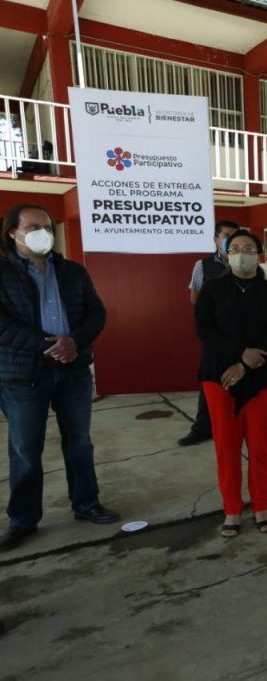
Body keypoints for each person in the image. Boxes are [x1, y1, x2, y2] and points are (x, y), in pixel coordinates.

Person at [0, 204, 119, 552]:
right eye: (35, 226)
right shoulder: (2, 272)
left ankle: (86, 503)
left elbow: (96, 312)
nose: (44, 233)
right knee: (25, 449)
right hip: (24, 376)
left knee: (79, 441)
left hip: (73, 370)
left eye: (48, 227)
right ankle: (22, 520)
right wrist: (47, 346)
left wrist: (75, 343)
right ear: (13, 232)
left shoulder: (71, 271)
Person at [195, 229, 267, 538]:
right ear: (225, 253)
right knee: (227, 447)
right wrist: (238, 355)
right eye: (235, 248)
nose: (242, 253)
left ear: (259, 254)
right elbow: (204, 329)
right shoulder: (211, 290)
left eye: (248, 248)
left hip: (263, 377)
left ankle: (261, 503)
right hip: (219, 379)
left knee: (260, 446)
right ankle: (232, 508)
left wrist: (246, 363)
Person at [178, 220, 240, 447]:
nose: (231, 240)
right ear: (215, 240)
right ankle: (203, 428)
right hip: (214, 334)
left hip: (242, 335)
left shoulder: (246, 263)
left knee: (245, 379)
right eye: (226, 235)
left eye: (235, 236)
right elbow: (194, 297)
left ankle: (239, 422)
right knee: (210, 381)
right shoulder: (202, 266)